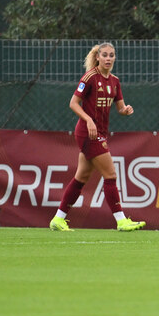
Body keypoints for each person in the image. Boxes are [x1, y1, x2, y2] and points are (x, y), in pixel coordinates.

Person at [49, 43, 145, 232]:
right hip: (87, 132)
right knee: (110, 174)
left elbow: (120, 108)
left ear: (114, 58)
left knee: (81, 177)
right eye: (105, 55)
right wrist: (88, 120)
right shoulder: (90, 77)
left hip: (100, 133)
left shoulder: (115, 81)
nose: (108, 59)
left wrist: (126, 111)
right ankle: (121, 220)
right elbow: (73, 103)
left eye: (111, 55)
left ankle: (58, 219)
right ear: (98, 57)